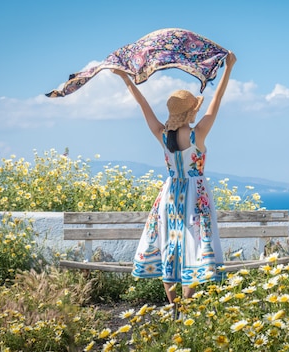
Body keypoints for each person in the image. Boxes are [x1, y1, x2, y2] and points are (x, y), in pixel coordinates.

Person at [112, 51, 237, 304]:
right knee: (193, 244)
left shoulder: (161, 134)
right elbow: (219, 99)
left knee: (170, 242)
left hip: (169, 195)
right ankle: (186, 306)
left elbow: (142, 104)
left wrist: (126, 78)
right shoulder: (198, 134)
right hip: (195, 193)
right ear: (191, 112)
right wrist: (229, 68)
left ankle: (173, 306)